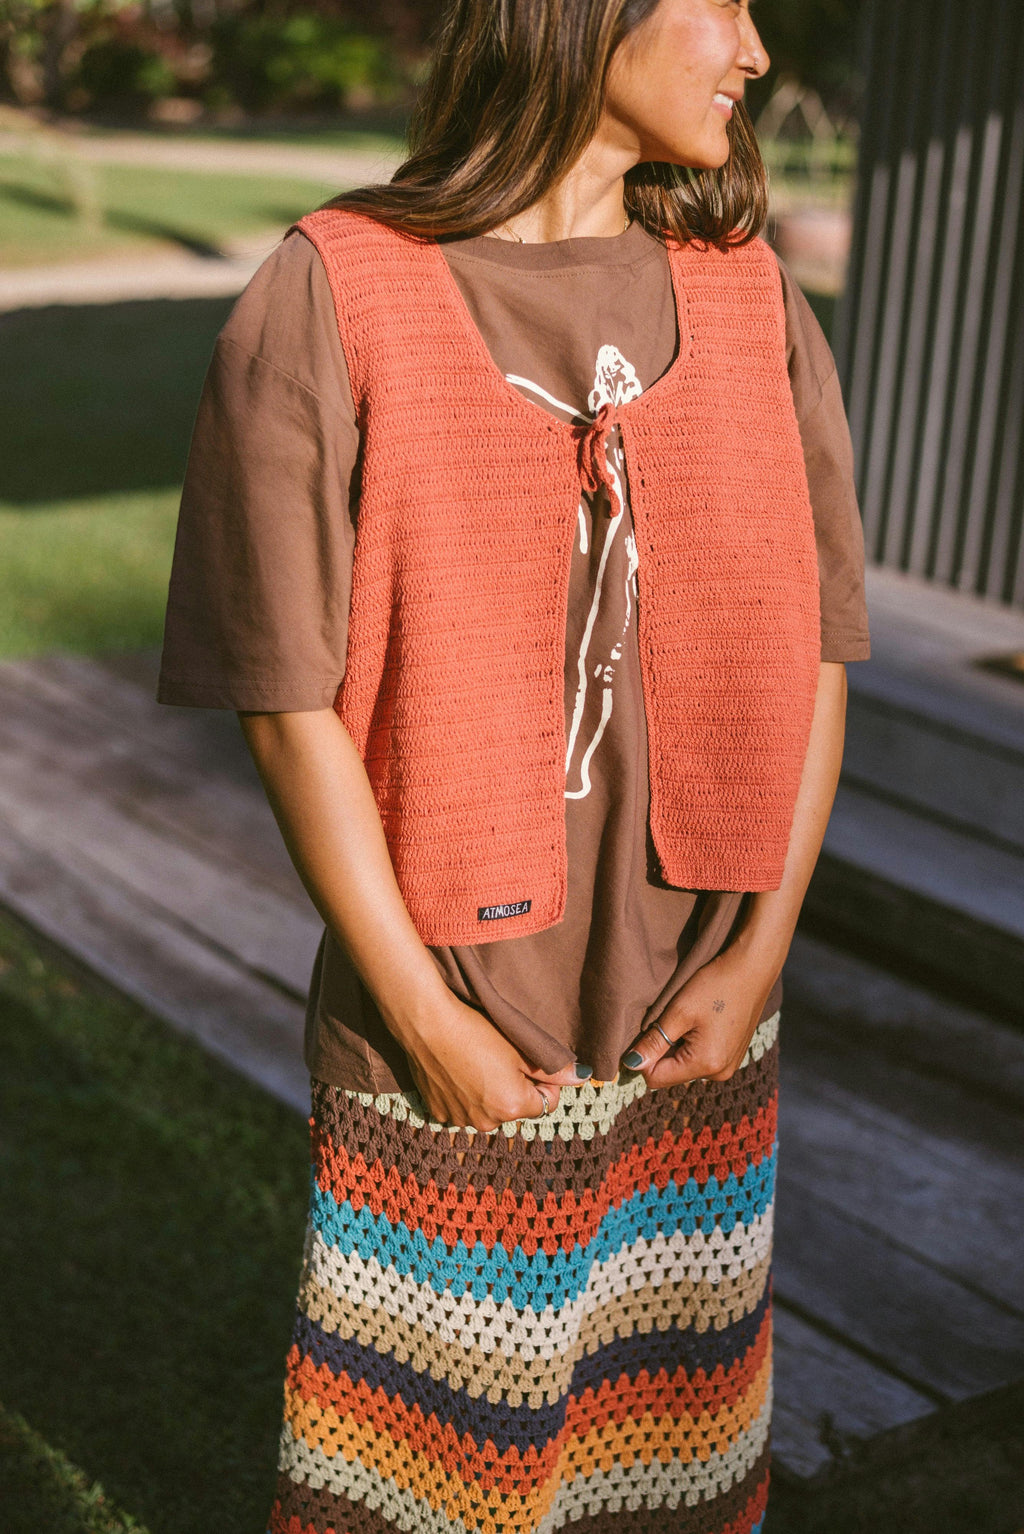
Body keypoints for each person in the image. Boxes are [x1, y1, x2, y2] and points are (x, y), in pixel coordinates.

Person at [158, 0, 870, 1529]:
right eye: (721, 4)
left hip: (696, 993)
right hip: (467, 1016)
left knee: (667, 1456)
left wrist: (762, 948)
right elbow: (286, 700)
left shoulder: (752, 303)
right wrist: (426, 1021)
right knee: (421, 1474)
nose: (754, 50)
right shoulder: (336, 293)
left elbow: (818, 646)